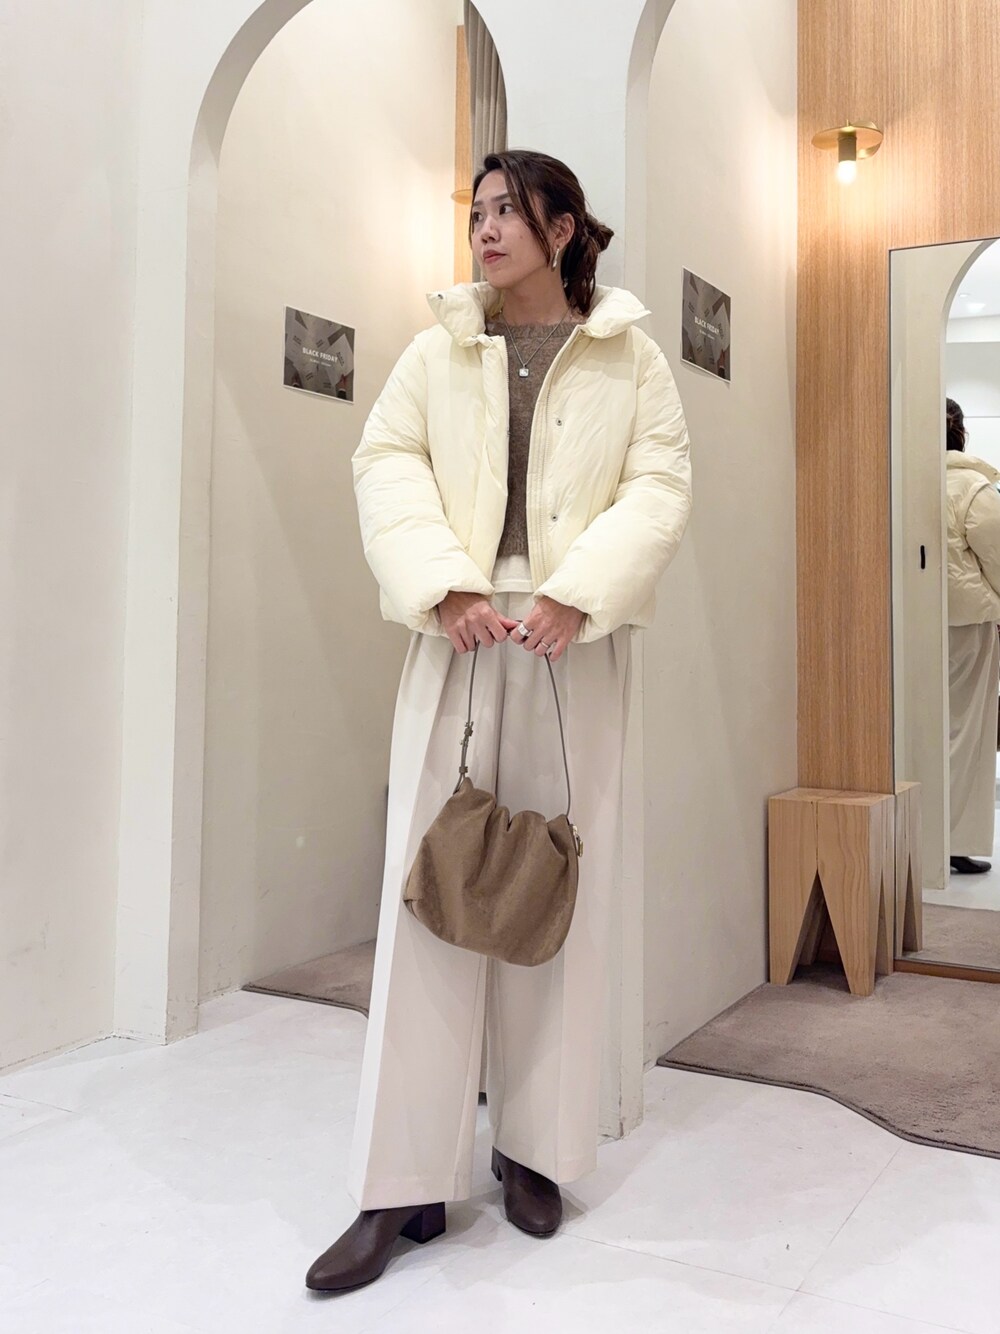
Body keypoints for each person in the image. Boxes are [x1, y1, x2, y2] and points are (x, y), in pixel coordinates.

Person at [305, 149, 692, 1295]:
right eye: (475, 212)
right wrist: (444, 584)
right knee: (427, 891)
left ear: (561, 228)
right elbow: (385, 462)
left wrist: (578, 591)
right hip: (458, 627)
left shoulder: (629, 354)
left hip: (575, 634)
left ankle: (533, 1147)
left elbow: (659, 485)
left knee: (554, 891)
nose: (483, 230)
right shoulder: (437, 349)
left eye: (507, 212)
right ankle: (401, 1182)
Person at [945, 396, 1000, 874]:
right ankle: (953, 840)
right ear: (961, 434)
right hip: (967, 626)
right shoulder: (974, 489)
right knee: (964, 732)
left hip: (911, 622)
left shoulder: (903, 479)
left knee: (919, 727)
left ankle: (921, 835)